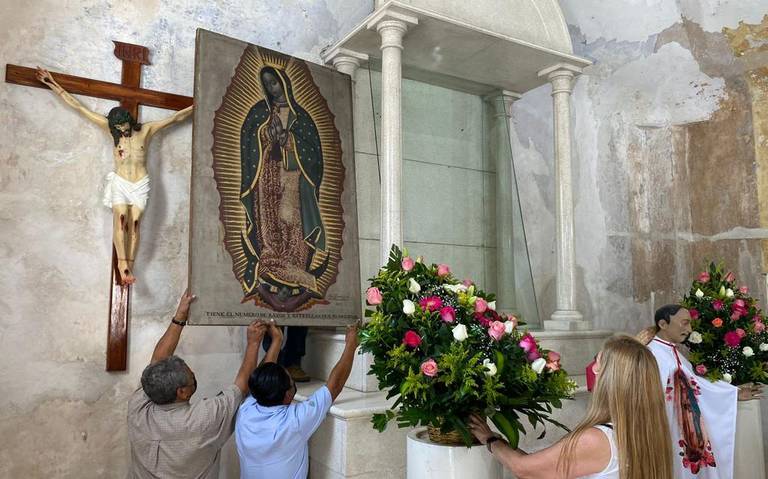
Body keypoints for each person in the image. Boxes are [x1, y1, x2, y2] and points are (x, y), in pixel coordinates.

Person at [35, 67, 193, 285]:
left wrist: (199, 104)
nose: (121, 129)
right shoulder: (112, 132)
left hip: (140, 182)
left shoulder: (145, 131)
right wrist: (52, 83)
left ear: (129, 119)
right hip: (120, 181)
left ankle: (131, 262)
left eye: (123, 125)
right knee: (120, 221)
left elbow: (176, 118)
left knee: (135, 222)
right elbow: (79, 108)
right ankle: (122, 265)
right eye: (117, 126)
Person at [127, 289, 283, 479]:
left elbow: (158, 360)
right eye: (190, 375)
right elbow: (243, 386)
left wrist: (180, 317)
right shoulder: (204, 418)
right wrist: (255, 343)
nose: (193, 372)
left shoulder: (139, 407)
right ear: (182, 392)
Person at [468, 335, 673, 479]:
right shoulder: (647, 431)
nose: (592, 368)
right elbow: (540, 468)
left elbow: (524, 469)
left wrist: (489, 437)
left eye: (597, 362)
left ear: (611, 379)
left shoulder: (598, 439)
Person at [644, 305, 762, 478]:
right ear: (663, 323)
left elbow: (696, 384)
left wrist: (733, 393)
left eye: (690, 324)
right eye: (684, 323)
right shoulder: (651, 354)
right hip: (663, 428)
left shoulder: (673, 352)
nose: (689, 329)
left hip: (684, 428)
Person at [235, 322, 360, 478]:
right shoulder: (293, 422)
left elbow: (264, 375)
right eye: (290, 379)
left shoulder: (246, 411)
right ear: (288, 396)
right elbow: (334, 386)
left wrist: (277, 341)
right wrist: (351, 345)